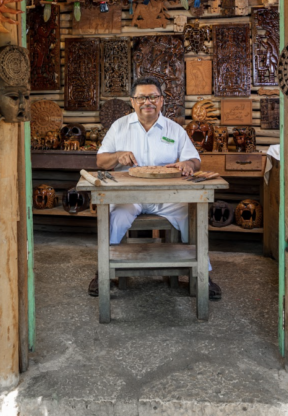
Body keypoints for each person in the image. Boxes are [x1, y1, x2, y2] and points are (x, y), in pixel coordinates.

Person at [91, 76, 222, 301]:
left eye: (153, 96)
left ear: (161, 101)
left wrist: (187, 164)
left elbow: (195, 161)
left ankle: (202, 273)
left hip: (167, 197)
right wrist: (116, 156)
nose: (147, 102)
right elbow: (101, 162)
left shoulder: (174, 129)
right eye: (141, 97)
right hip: (129, 196)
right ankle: (104, 272)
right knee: (116, 217)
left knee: (191, 216)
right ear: (133, 101)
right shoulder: (119, 127)